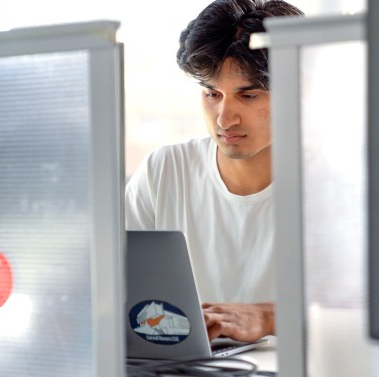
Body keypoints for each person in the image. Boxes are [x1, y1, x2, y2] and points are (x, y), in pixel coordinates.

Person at [124, 0, 304, 342]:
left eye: (248, 95)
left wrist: (268, 317)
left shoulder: (337, 181)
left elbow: (373, 308)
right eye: (212, 93)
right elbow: (108, 291)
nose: (224, 118)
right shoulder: (165, 171)